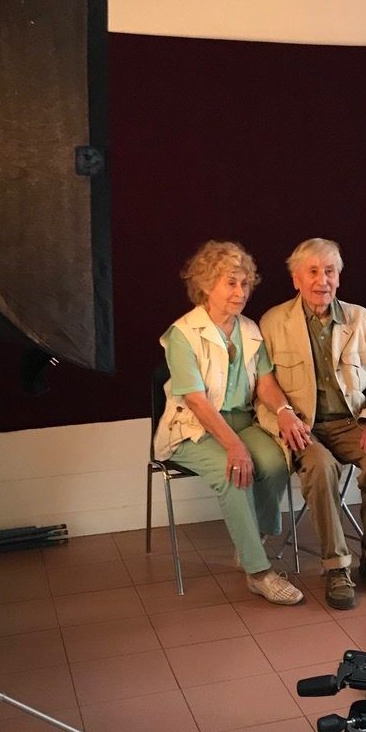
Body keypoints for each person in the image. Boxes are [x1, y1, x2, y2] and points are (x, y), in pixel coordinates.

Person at [154, 240, 314, 606]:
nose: (240, 292)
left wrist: (285, 412)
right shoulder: (183, 334)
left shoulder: (250, 329)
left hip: (243, 420)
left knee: (275, 462)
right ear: (207, 284)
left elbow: (266, 383)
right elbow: (195, 400)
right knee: (235, 473)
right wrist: (234, 446)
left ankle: (252, 542)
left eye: (244, 283)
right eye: (231, 282)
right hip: (191, 428)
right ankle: (259, 573)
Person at [257, 238, 366, 610]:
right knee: (320, 467)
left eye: (330, 271)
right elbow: (261, 386)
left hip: (352, 422)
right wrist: (283, 416)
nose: (323, 280)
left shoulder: (364, 321)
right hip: (303, 426)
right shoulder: (273, 322)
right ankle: (336, 568)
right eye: (313, 271)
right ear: (296, 280)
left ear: (339, 276)